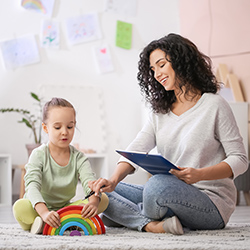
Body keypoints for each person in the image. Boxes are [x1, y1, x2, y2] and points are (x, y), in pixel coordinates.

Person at [89, 33, 248, 235]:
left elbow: (240, 159)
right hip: (169, 193)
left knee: (154, 187)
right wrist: (112, 180)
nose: (156, 74)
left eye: (161, 65)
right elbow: (135, 149)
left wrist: (199, 175)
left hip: (210, 203)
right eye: (152, 69)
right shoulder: (160, 113)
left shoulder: (214, 105)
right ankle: (152, 224)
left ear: (181, 61)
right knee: (99, 191)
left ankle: (128, 217)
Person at [13, 97, 109, 234]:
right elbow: (32, 187)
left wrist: (93, 203)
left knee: (103, 199)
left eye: (70, 126)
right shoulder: (38, 154)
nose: (65, 132)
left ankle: (54, 221)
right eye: (57, 127)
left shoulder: (79, 157)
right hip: (39, 207)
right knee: (19, 207)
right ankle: (49, 220)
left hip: (64, 208)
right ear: (45, 128)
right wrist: (45, 212)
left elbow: (90, 183)